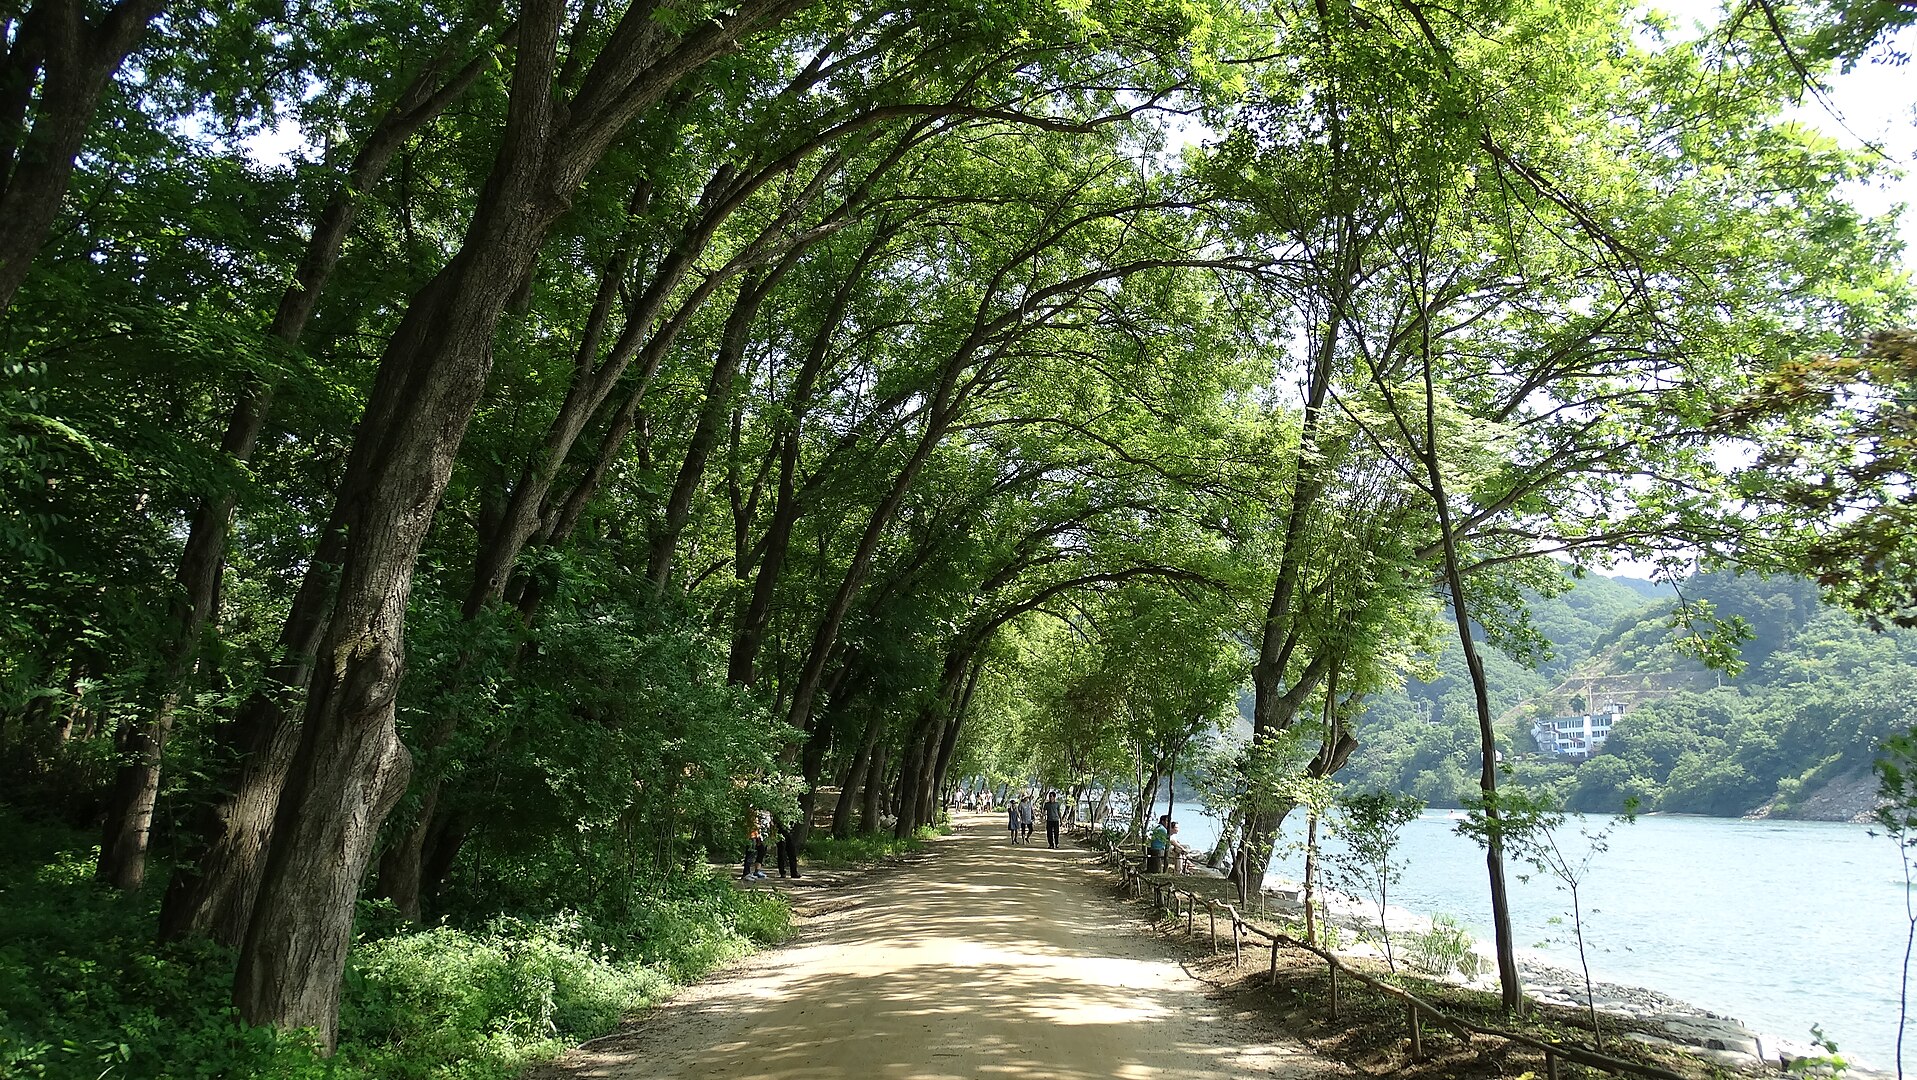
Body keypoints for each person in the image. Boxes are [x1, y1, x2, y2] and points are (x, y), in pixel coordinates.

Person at [743, 808, 771, 880]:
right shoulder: (751, 812)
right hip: (751, 836)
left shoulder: (758, 812)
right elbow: (752, 824)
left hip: (757, 835)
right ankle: (746, 873)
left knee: (761, 850)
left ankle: (757, 871)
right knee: (750, 854)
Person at [773, 814, 802, 879]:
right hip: (780, 832)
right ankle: (782, 872)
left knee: (792, 852)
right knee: (781, 853)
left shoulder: (790, 811)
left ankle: (794, 872)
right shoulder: (778, 811)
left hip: (789, 832)